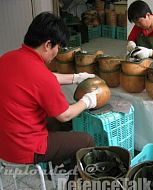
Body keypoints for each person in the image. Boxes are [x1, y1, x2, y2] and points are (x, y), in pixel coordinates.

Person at [0, 12, 99, 173]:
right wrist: (87, 101)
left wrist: (76, 77)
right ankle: (71, 179)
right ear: (47, 45)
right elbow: (65, 114)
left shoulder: (7, 58)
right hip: (24, 148)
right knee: (86, 140)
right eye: (57, 47)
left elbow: (41, 79)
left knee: (63, 123)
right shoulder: (41, 75)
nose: (57, 51)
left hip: (4, 141)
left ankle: (57, 165)